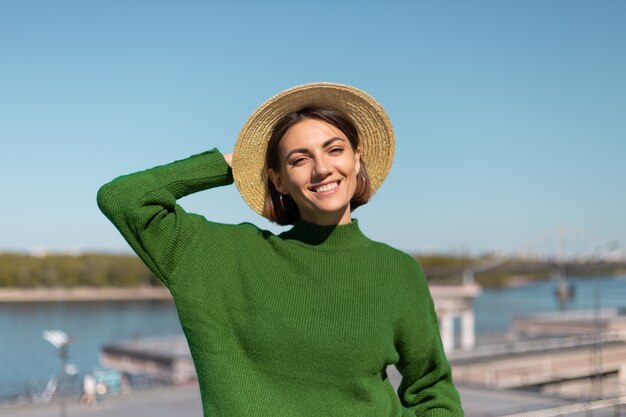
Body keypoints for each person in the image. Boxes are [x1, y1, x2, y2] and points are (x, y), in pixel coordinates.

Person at [97, 82, 464, 416]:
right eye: (299, 160)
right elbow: (125, 199)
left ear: (357, 158)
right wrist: (234, 164)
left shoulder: (397, 271)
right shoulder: (222, 256)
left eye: (335, 150)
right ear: (279, 179)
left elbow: (432, 391)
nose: (322, 169)